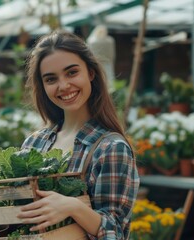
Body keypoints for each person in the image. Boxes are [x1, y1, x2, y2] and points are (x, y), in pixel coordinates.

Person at [17, 30, 140, 240]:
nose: (64, 86)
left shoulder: (110, 148)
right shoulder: (33, 144)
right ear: (43, 86)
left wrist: (73, 207)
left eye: (72, 72)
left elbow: (116, 233)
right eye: (51, 79)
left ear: (90, 73)